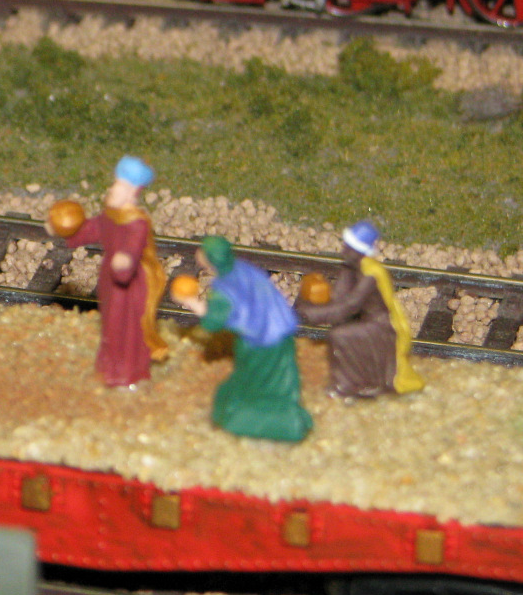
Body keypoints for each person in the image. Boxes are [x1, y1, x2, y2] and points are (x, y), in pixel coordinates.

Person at [174, 235, 312, 442]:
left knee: (257, 382)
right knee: (280, 378)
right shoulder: (243, 268)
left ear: (209, 260)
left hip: (261, 341)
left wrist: (190, 301)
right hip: (281, 332)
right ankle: (288, 413)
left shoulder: (224, 288)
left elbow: (213, 321)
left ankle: (277, 420)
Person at [50, 156, 168, 386]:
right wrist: (65, 230)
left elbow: (134, 244)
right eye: (115, 183)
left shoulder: (137, 222)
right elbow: (93, 229)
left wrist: (126, 259)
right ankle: (109, 368)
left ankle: (128, 374)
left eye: (119, 185)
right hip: (111, 279)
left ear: (132, 191)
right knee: (111, 326)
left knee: (127, 328)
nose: (113, 189)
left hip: (131, 285)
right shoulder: (111, 215)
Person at [295, 220, 422, 398]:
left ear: (360, 251)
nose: (344, 252)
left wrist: (314, 314)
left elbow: (350, 305)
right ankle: (358, 381)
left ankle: (350, 385)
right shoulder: (351, 268)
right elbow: (338, 297)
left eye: (349, 248)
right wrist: (314, 300)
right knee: (341, 330)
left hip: (381, 326)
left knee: (340, 335)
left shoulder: (371, 274)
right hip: (363, 319)